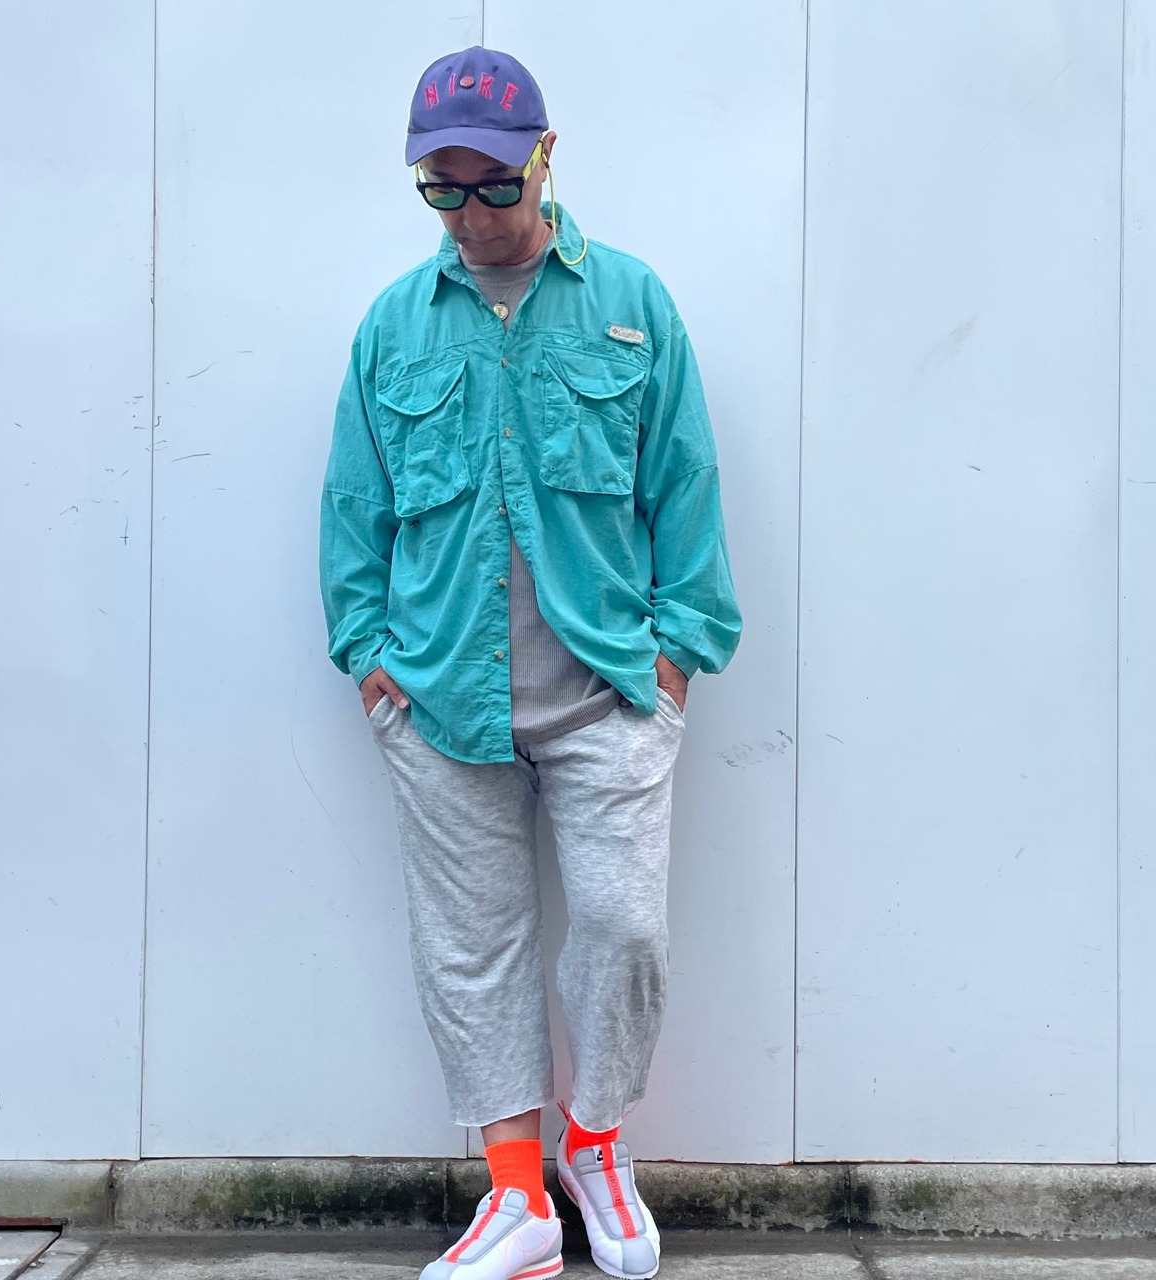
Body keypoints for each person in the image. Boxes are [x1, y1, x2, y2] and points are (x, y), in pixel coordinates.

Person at [320, 45, 741, 1280]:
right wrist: (368, 659)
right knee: (471, 944)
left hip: (606, 686)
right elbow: (354, 507)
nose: (472, 215)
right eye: (441, 191)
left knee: (621, 925)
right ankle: (517, 1200)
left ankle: (594, 1145)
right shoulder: (394, 324)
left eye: (493, 185)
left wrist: (677, 656)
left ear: (544, 159)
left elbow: (684, 482)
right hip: (439, 692)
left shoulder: (630, 301)